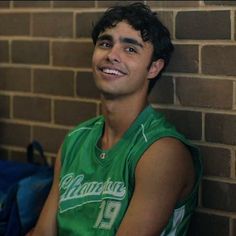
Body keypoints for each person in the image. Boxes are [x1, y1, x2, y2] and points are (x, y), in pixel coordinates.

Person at [31, 2, 202, 236]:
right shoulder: (76, 140)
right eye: (105, 43)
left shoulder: (161, 151)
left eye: (130, 49)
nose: (112, 55)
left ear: (153, 67)